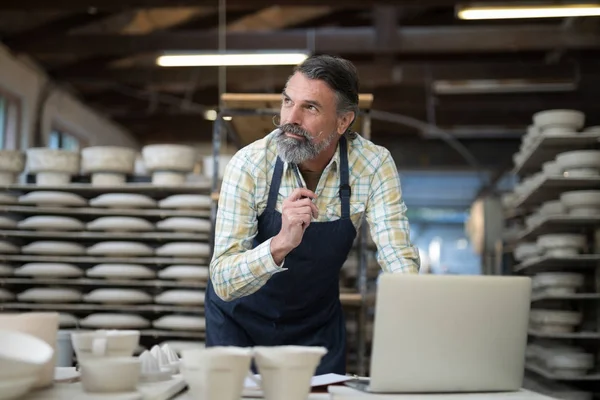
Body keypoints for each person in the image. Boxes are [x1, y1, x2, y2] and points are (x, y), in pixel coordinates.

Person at [205, 54, 420, 375]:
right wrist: (279, 244)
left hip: (315, 329)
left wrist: (419, 313)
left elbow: (397, 257)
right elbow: (222, 280)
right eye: (288, 101)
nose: (291, 117)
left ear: (343, 122)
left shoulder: (373, 165)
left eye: (310, 108)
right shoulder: (249, 164)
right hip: (240, 326)